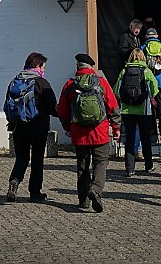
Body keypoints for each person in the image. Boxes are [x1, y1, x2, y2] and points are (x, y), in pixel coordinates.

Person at [57, 53, 121, 212]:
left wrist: (67, 127)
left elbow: (63, 111)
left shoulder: (70, 84)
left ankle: (83, 200)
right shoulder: (102, 83)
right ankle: (96, 190)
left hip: (79, 134)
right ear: (92, 67)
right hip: (100, 132)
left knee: (82, 167)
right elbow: (113, 107)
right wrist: (116, 127)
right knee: (100, 163)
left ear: (77, 67)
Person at [4, 52, 58, 203]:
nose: (44, 70)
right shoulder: (41, 82)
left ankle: (14, 181)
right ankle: (35, 193)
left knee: (21, 158)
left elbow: (7, 105)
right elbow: (52, 107)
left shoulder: (15, 81)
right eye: (43, 67)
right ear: (37, 65)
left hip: (18, 127)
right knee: (37, 159)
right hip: (38, 126)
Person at [113, 48, 159, 176]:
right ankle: (148, 166)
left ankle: (130, 169)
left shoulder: (124, 71)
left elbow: (116, 90)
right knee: (145, 139)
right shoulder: (147, 71)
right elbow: (155, 90)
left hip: (127, 110)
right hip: (144, 110)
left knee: (129, 139)